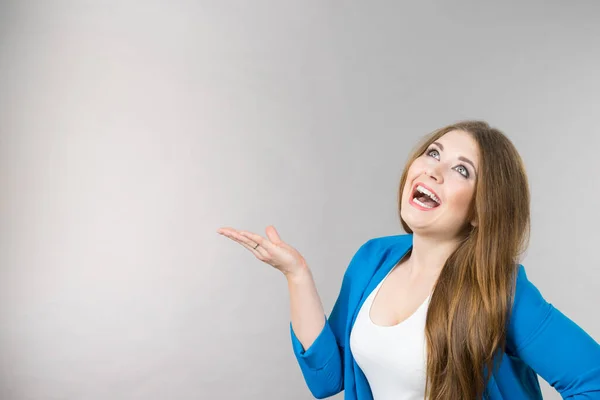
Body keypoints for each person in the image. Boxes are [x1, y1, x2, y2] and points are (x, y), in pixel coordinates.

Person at [216, 120, 600, 399]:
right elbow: (326, 379)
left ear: (481, 210)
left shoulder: (501, 290)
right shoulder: (373, 258)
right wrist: (296, 274)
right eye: (433, 153)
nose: (433, 169)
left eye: (461, 170)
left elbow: (592, 381)